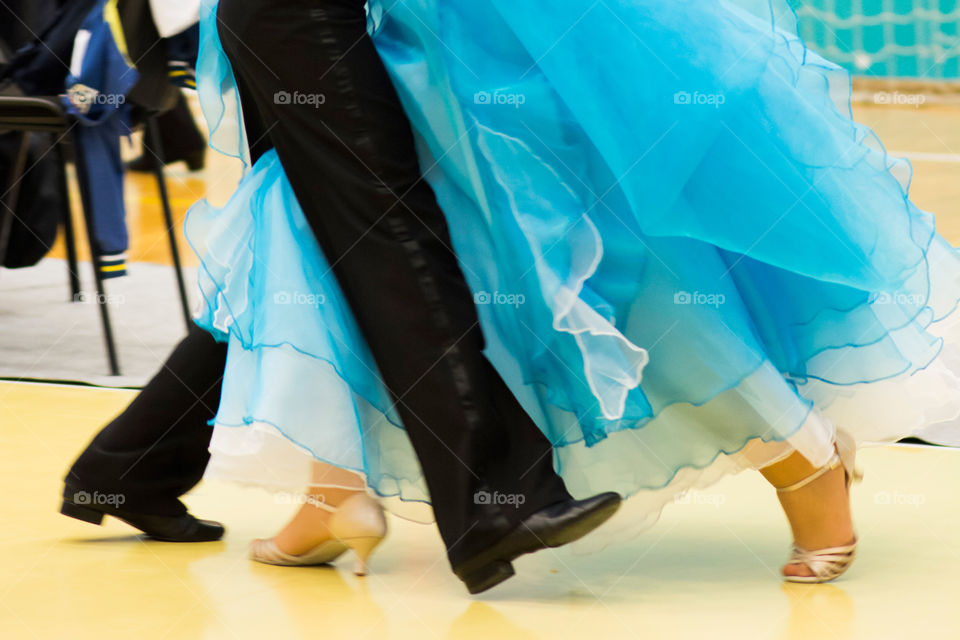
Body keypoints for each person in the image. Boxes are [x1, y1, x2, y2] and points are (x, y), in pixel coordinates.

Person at [188, 0, 960, 586]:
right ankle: (333, 490)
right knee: (343, 236)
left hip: (482, 40)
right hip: (386, 35)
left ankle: (804, 459)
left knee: (593, 270)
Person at [62, 0, 623, 597]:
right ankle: (492, 503)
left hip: (297, 19)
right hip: (298, 18)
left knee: (311, 240)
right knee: (388, 232)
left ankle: (133, 466)